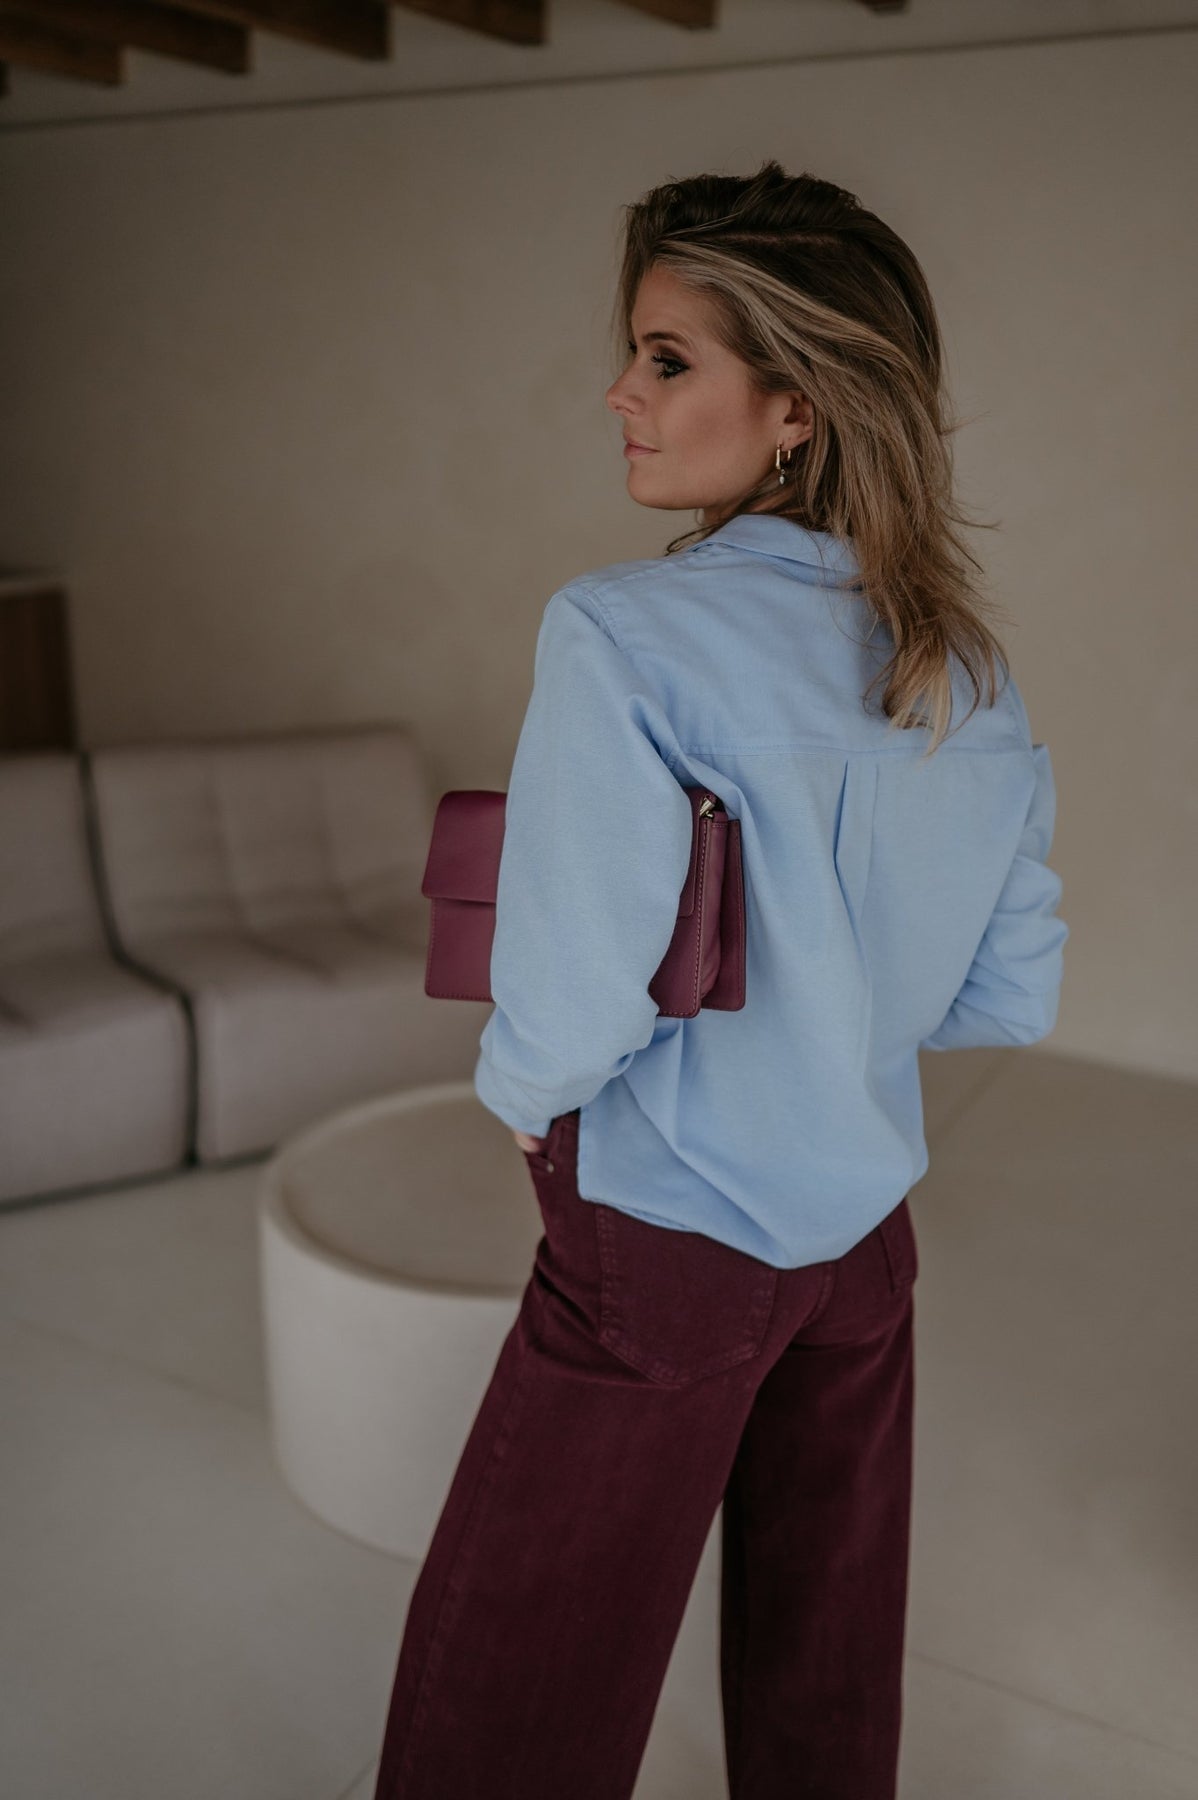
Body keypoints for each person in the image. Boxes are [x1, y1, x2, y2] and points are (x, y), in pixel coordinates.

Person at [373, 160, 1068, 1800]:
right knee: (823, 1664)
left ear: (797, 407)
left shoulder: (622, 633)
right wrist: (837, 1018)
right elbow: (1008, 994)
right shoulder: (964, 668)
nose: (619, 393)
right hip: (860, 1238)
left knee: (516, 1692)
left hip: (668, 1225)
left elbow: (576, 986)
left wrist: (527, 1104)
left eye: (666, 357)